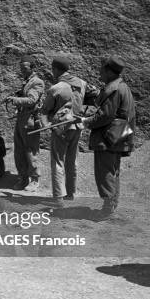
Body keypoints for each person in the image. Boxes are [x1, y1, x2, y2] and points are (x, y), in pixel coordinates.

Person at [82, 56, 135, 217]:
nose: (99, 74)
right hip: (119, 135)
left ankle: (107, 207)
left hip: (108, 137)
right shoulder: (121, 87)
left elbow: (105, 115)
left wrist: (86, 121)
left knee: (104, 172)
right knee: (113, 171)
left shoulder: (113, 89)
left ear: (109, 71)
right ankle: (111, 205)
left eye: (102, 71)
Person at [40, 56, 95, 202]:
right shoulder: (82, 83)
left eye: (52, 69)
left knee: (58, 162)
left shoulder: (56, 88)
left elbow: (45, 111)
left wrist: (47, 125)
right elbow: (94, 95)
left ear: (55, 69)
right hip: (77, 127)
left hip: (60, 128)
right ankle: (70, 194)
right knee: (72, 161)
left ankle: (58, 197)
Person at [6, 55, 44, 192]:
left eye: (25, 68)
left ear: (32, 68)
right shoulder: (26, 81)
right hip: (21, 119)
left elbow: (32, 100)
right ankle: (23, 178)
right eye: (21, 67)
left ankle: (34, 179)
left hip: (30, 121)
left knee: (31, 151)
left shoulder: (37, 82)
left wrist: (15, 99)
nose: (22, 70)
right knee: (19, 150)